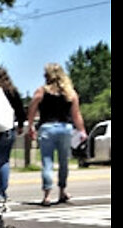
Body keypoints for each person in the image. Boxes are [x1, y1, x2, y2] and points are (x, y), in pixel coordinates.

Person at [26, 62, 86, 206]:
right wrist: (82, 130)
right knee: (63, 161)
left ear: (47, 76)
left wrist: (30, 126)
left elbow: (32, 109)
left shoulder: (41, 91)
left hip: (47, 128)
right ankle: (62, 191)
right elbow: (76, 115)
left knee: (47, 162)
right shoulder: (70, 93)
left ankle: (47, 196)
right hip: (65, 128)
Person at [0, 67, 26, 203]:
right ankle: (1, 192)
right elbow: (20, 110)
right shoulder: (12, 91)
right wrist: (20, 125)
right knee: (3, 161)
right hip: (7, 129)